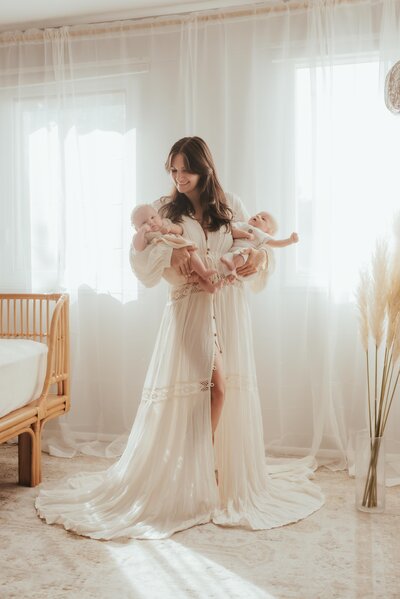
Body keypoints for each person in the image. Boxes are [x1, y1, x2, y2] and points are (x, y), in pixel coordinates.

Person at [35, 136, 323, 540]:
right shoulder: (166, 209)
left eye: (185, 168)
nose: (179, 176)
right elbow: (141, 259)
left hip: (228, 307)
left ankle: (213, 469)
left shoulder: (231, 206)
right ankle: (193, 468)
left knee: (223, 391)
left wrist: (255, 260)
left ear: (204, 167)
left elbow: (254, 247)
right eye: (172, 169)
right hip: (188, 310)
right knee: (209, 388)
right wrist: (172, 257)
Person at [131, 203, 222, 293]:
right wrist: (142, 231)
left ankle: (209, 284)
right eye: (144, 223)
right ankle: (203, 274)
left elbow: (180, 230)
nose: (150, 222)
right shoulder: (144, 236)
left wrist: (170, 228)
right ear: (137, 229)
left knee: (194, 264)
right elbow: (138, 248)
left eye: (152, 217)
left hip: (185, 256)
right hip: (170, 270)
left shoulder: (165, 223)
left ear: (158, 216)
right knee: (191, 265)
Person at [221, 210, 299, 279]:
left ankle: (232, 270)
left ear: (268, 232)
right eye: (257, 214)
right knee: (225, 259)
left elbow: (276, 243)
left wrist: (290, 241)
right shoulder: (243, 225)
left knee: (244, 256)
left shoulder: (262, 235)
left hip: (245, 252)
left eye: (263, 219)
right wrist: (246, 235)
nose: (258, 216)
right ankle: (229, 274)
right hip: (231, 251)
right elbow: (231, 231)